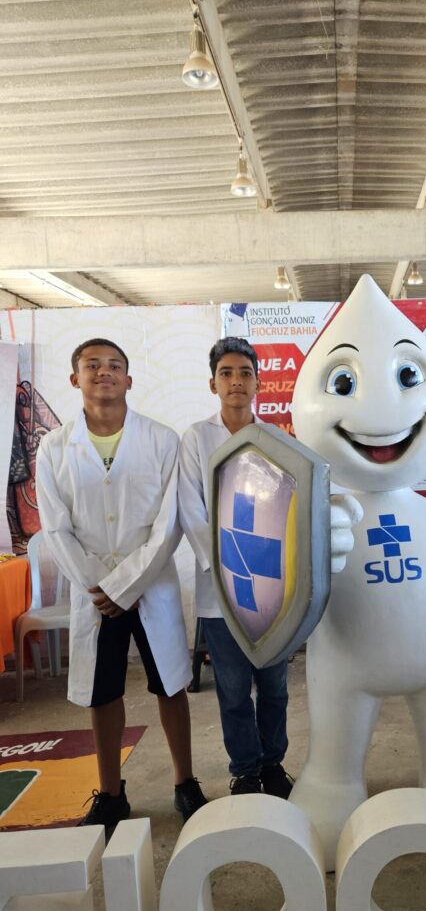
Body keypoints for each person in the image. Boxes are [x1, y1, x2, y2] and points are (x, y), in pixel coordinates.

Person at [36, 338, 207, 835]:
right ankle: (111, 793)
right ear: (75, 379)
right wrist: (99, 585)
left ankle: (185, 782)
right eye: (92, 365)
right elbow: (55, 527)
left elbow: (170, 520)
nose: (104, 372)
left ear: (129, 380)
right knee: (103, 692)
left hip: (150, 586)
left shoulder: (161, 440)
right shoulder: (53, 447)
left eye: (114, 365)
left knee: (169, 685)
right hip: (95, 594)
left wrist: (127, 583)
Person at [178, 337, 293, 798]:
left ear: (259, 383)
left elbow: (288, 508)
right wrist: (222, 564)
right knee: (232, 688)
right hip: (219, 589)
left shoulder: (276, 440)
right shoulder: (196, 439)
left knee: (275, 685)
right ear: (213, 384)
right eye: (226, 373)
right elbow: (191, 508)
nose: (236, 381)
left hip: (269, 586)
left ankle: (273, 764)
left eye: (245, 373)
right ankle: (246, 770)